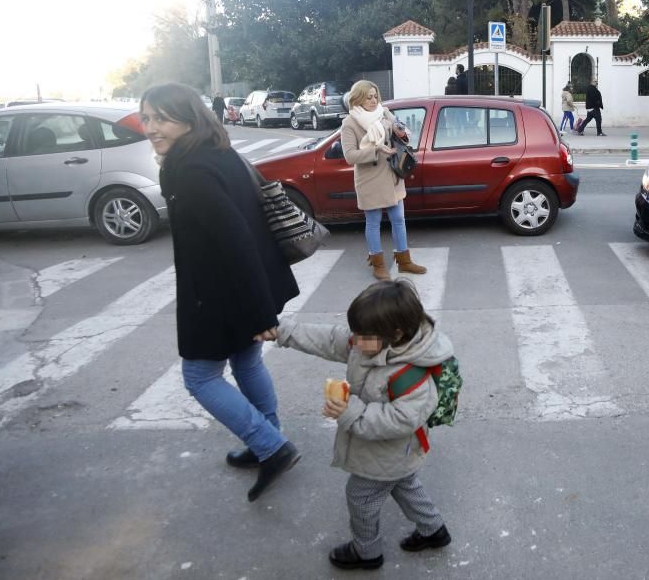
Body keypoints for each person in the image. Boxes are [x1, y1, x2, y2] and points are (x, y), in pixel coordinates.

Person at [142, 82, 301, 503]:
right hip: (240, 287)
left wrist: (260, 311)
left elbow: (236, 240)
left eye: (162, 117)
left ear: (189, 118)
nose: (152, 127)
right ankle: (268, 437)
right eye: (147, 118)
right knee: (246, 360)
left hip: (218, 292)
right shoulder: (218, 151)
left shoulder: (190, 170)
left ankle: (270, 446)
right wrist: (260, 305)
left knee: (199, 377)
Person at [274, 279, 453, 571]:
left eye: (361, 336)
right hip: (398, 457)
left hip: (389, 452)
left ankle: (366, 552)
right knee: (405, 485)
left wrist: (349, 411)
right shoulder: (371, 341)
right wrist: (284, 332)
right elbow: (331, 339)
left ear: (396, 332)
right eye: (355, 333)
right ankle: (434, 530)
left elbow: (399, 421)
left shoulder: (411, 375)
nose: (354, 341)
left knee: (360, 497)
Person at [341, 80, 427, 280]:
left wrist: (401, 131)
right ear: (358, 98)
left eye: (375, 96)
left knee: (398, 219)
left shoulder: (385, 112)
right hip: (369, 179)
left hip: (392, 175)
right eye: (368, 97)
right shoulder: (350, 123)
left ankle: (404, 261)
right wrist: (376, 149)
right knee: (373, 221)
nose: (373, 100)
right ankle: (377, 264)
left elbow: (402, 136)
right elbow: (350, 156)